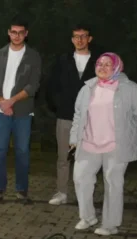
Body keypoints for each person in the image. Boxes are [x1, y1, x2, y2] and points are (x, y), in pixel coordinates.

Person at [69, 53, 137, 236]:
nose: (102, 67)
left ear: (117, 67)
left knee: (113, 183)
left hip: (117, 144)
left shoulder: (131, 89)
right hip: (89, 141)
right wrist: (74, 139)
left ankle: (110, 224)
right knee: (80, 178)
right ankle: (88, 217)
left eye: (108, 64)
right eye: (99, 64)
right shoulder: (87, 88)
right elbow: (78, 116)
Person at [0, 16, 43, 204]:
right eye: (13, 32)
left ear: (26, 34)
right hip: (0, 111)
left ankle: (21, 190)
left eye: (20, 32)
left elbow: (33, 85)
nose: (16, 36)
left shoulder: (33, 56)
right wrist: (2, 102)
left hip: (23, 111)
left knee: (22, 151)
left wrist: (12, 102)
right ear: (8, 33)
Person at [45, 23, 100, 206]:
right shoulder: (62, 60)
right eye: (76, 36)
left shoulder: (99, 62)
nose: (80, 40)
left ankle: (85, 194)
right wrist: (59, 106)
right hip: (66, 116)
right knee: (63, 157)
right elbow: (51, 87)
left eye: (84, 36)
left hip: (90, 119)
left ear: (89, 39)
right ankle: (62, 192)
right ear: (72, 39)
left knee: (87, 158)